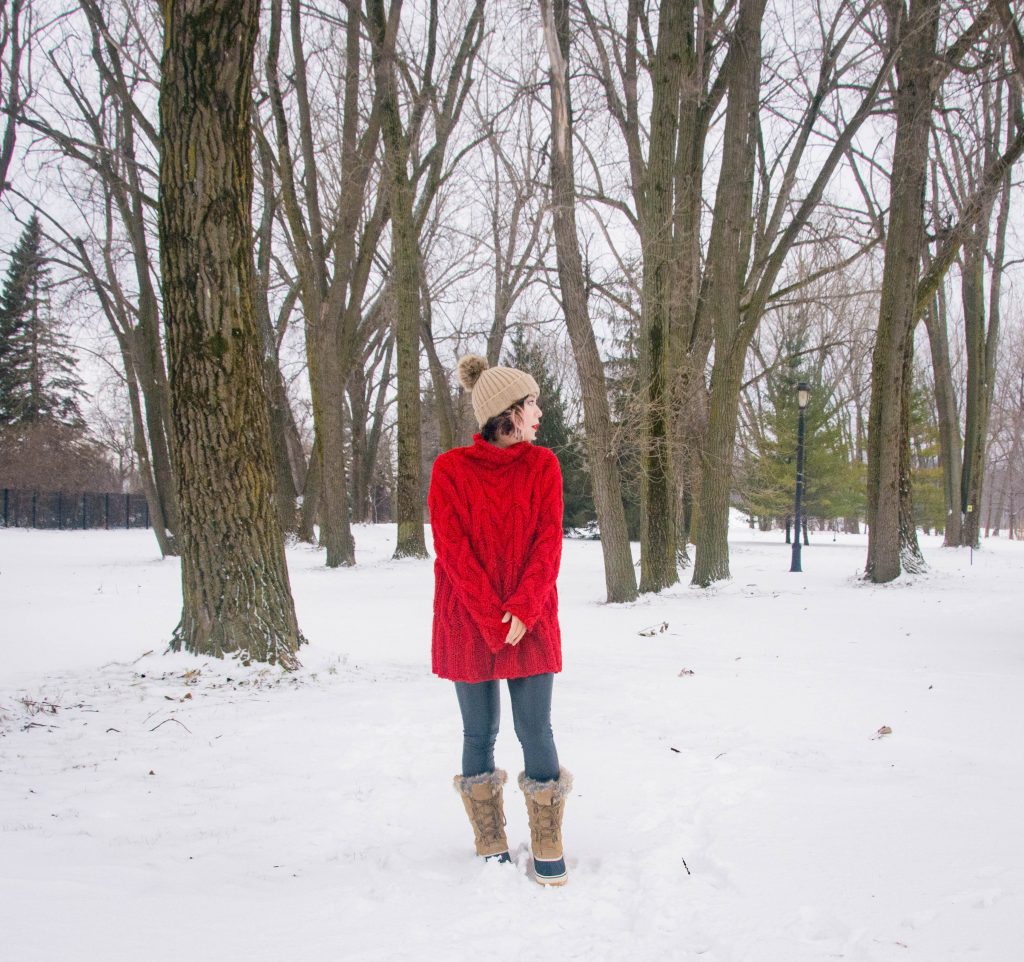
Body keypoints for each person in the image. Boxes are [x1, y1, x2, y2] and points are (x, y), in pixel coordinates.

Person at [427, 354, 572, 886]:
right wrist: (494, 616)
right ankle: (489, 836)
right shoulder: (450, 470)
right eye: (531, 403)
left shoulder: (545, 466)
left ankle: (547, 836)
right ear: (506, 412)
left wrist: (523, 609)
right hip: (468, 619)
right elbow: (452, 551)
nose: (539, 412)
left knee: (535, 728)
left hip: (530, 620)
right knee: (478, 731)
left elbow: (547, 545)